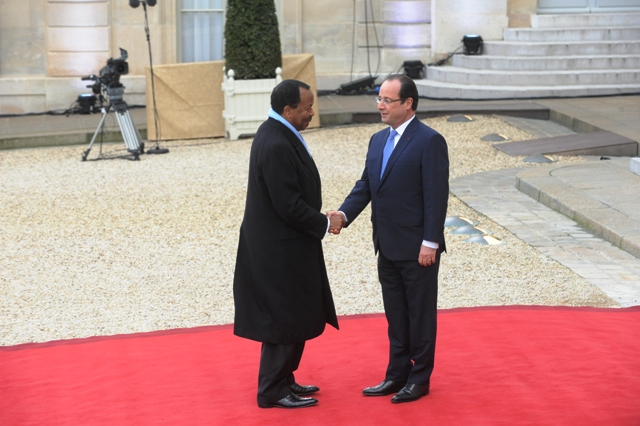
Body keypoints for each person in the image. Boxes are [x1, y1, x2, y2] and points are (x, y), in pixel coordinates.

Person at [330, 74, 449, 403]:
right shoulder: (377, 141)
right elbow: (366, 186)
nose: (380, 105)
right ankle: (396, 375)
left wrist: (431, 242)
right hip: (386, 245)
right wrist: (342, 215)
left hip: (417, 248)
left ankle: (419, 379)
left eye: (387, 100)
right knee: (396, 315)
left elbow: (435, 197)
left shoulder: (429, 141)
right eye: (379, 99)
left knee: (420, 315)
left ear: (408, 103)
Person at [233, 79, 342, 409]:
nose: (311, 113)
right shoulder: (277, 143)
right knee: (284, 317)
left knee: (294, 314)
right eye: (307, 108)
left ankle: (284, 379)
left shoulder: (277, 133)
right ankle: (271, 390)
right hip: (279, 251)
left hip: (286, 246)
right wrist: (325, 222)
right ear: (288, 110)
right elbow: (288, 205)